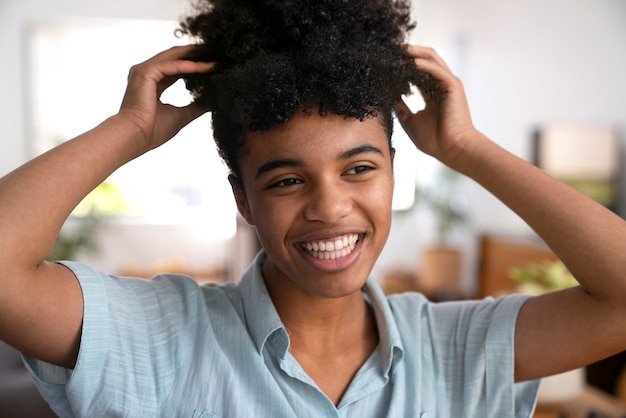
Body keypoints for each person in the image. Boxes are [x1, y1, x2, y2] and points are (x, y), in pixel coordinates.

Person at [0, 0, 625, 416]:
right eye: (285, 180)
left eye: (359, 168)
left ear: (393, 172)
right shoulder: (165, 339)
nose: (330, 207)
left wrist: (468, 148)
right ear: (243, 200)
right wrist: (130, 129)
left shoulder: (456, 348)